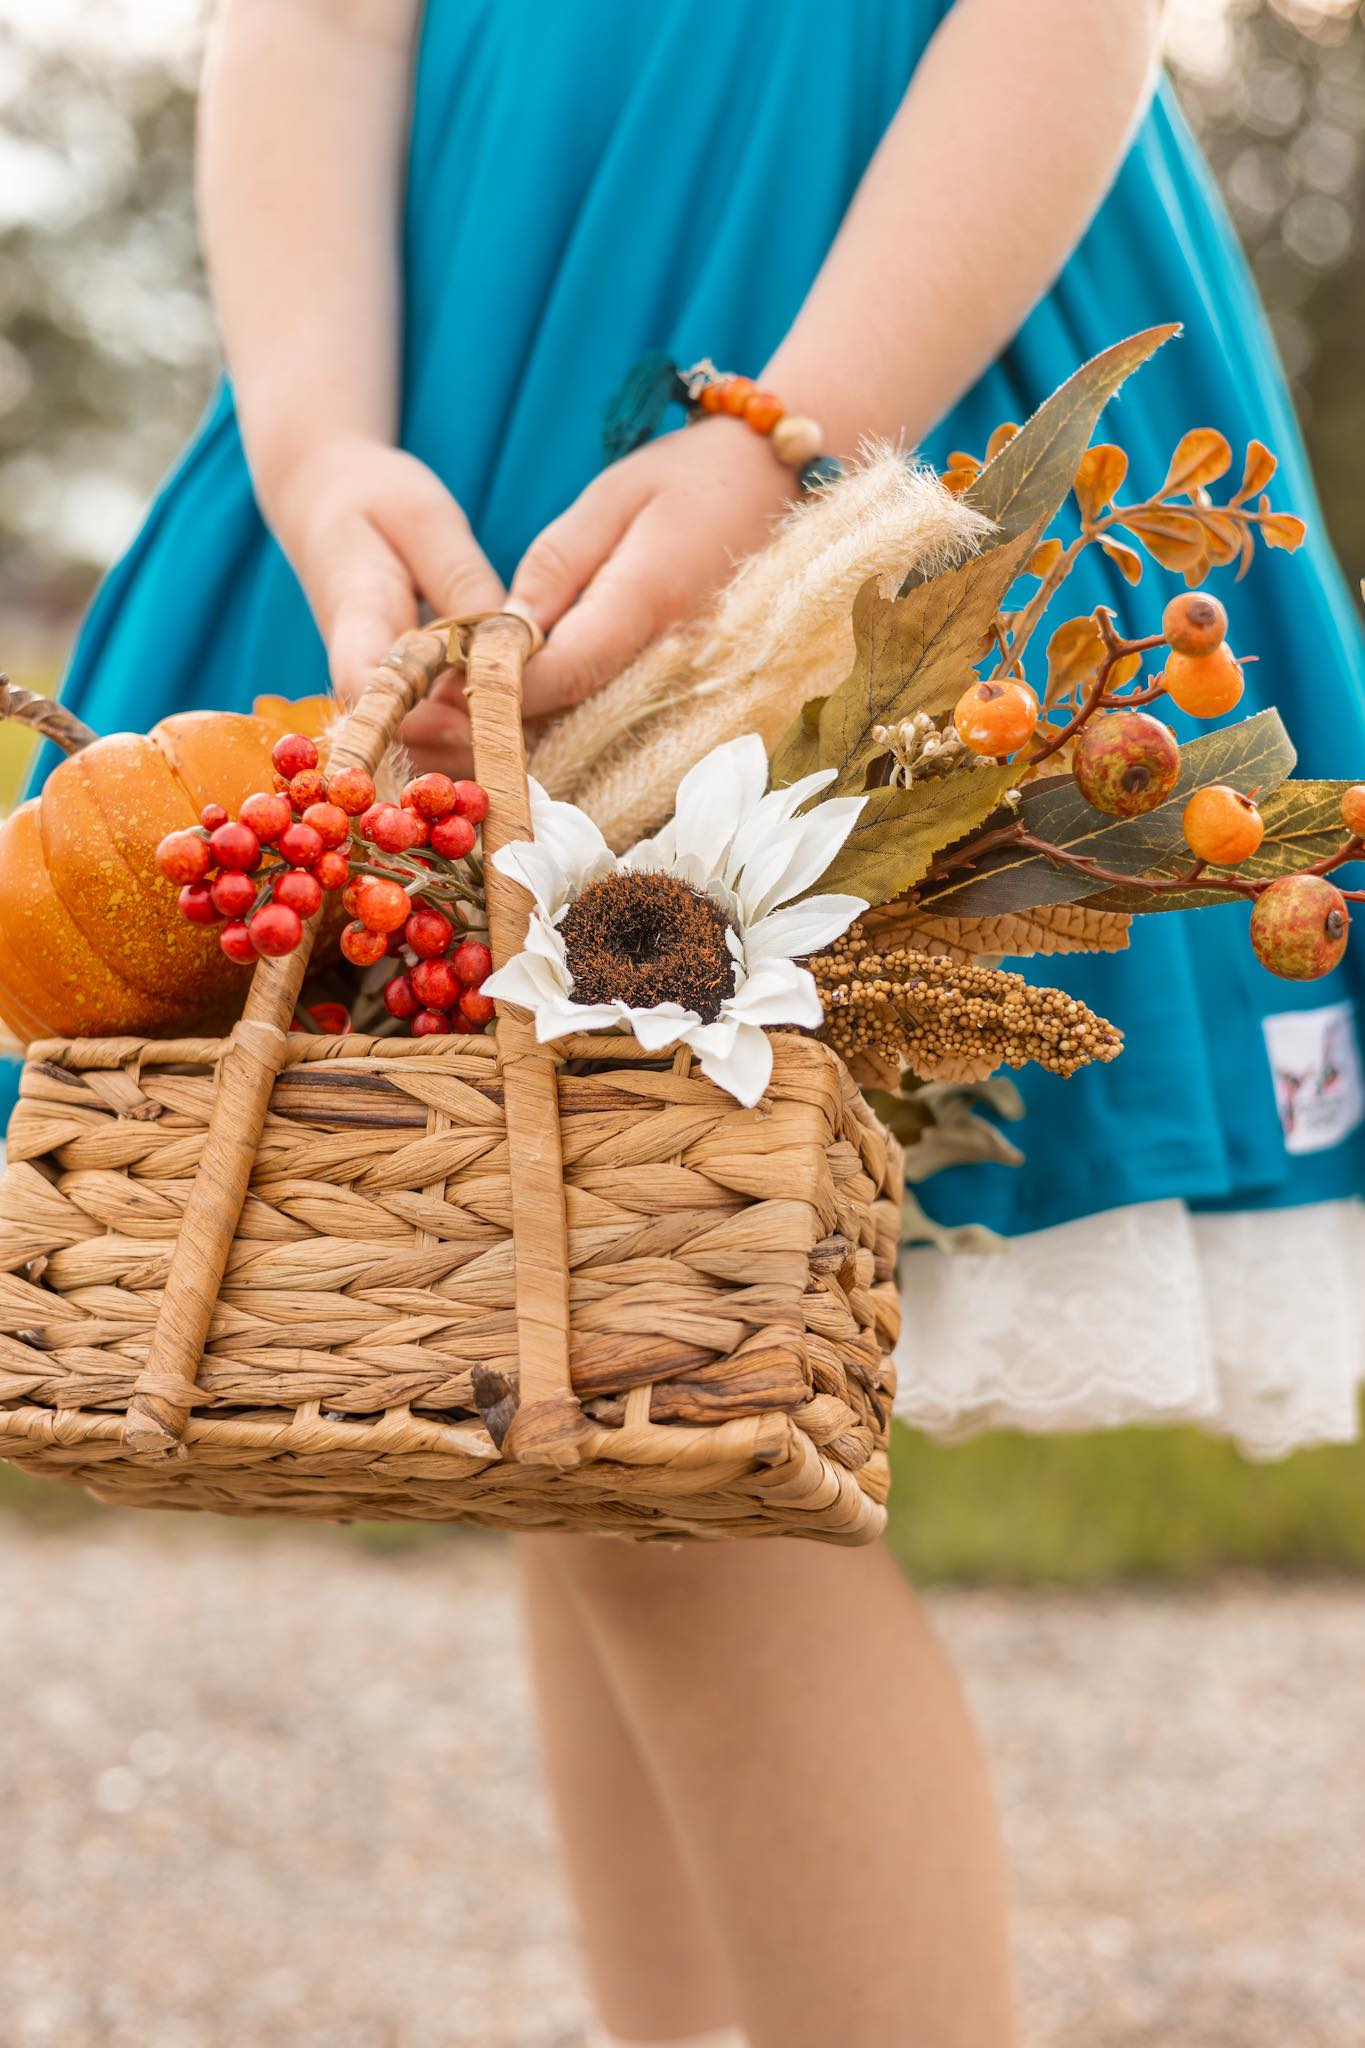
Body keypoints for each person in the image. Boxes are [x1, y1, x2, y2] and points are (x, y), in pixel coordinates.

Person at [20, 3, 1365, 2043]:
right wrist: (309, 430)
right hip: (453, 339)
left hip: (863, 308)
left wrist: (798, 432)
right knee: (583, 1404)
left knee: (654, 1402)